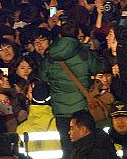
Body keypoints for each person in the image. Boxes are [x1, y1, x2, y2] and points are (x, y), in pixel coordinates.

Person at [39, 21, 102, 155]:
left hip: (61, 110)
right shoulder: (84, 53)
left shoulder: (50, 55)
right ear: (77, 35)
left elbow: (43, 76)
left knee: (67, 147)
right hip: (82, 109)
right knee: (86, 145)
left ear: (60, 34)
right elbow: (98, 68)